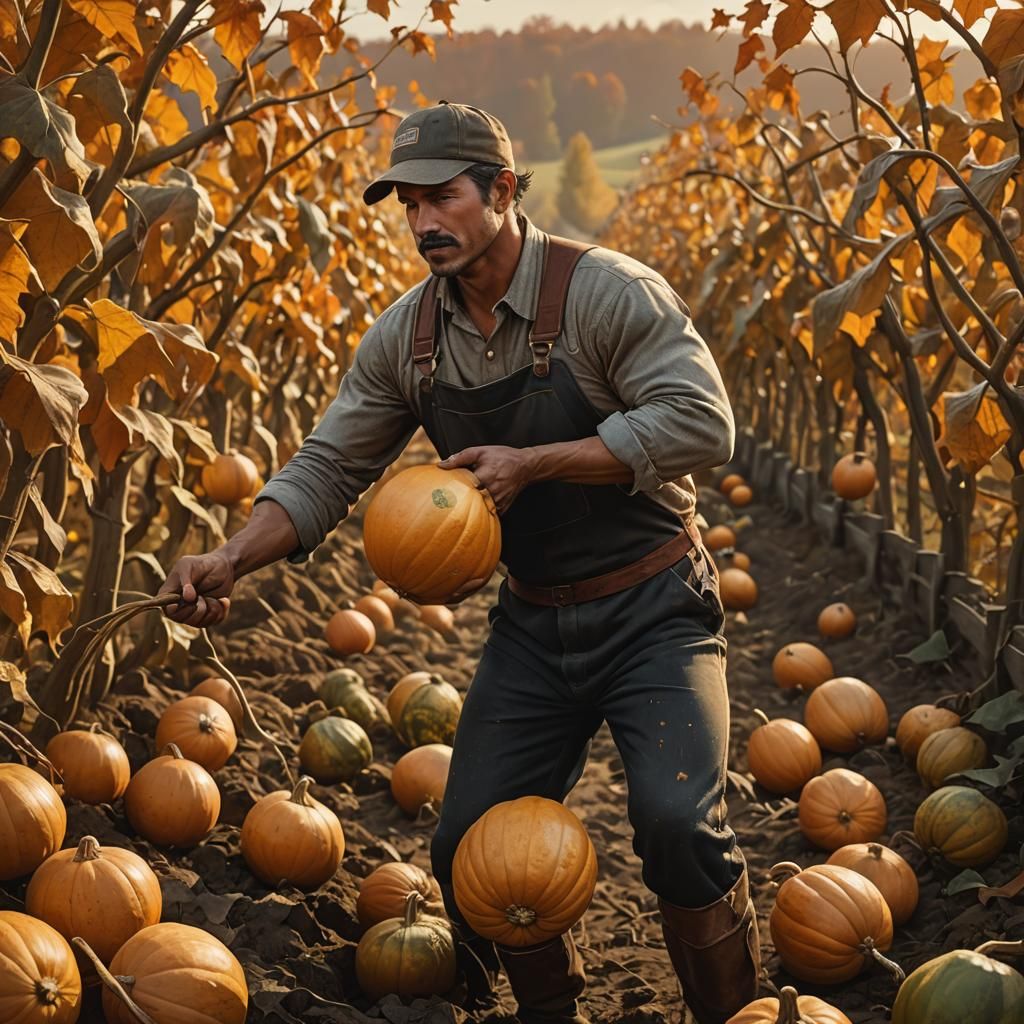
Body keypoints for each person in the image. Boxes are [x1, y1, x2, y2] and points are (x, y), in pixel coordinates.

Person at [159, 101, 759, 1024]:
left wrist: (538, 462)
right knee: (463, 846)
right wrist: (234, 554)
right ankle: (550, 1009)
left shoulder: (606, 293)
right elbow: (330, 466)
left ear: (505, 191)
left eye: (442, 197)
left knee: (678, 827)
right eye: (408, 204)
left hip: (651, 606)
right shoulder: (408, 338)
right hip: (533, 622)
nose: (423, 223)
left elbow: (700, 422)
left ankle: (734, 1012)